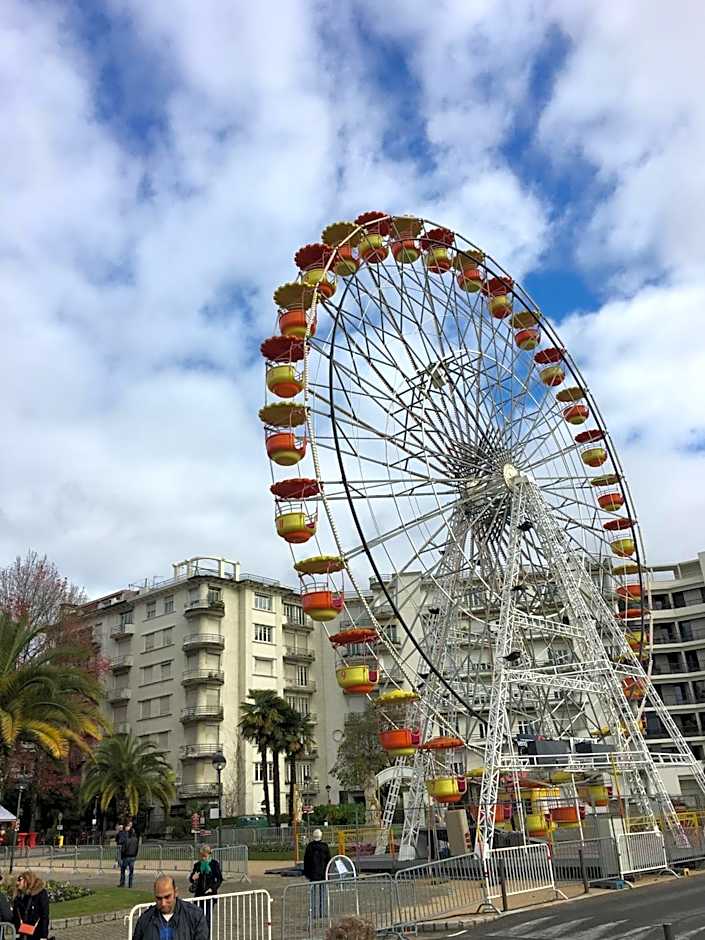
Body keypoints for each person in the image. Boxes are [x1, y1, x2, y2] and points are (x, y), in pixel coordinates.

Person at [132, 875, 208, 940]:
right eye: (159, 898)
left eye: (167, 897)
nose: (163, 903)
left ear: (176, 892)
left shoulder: (195, 916)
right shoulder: (145, 919)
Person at [188, 845, 222, 931]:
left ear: (209, 854)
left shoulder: (214, 864)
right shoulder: (197, 865)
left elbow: (219, 879)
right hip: (199, 895)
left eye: (205, 856)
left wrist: (212, 888)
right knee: (197, 919)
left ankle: (207, 936)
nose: (203, 858)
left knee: (207, 919)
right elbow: (192, 878)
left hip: (210, 896)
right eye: (201, 855)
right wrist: (192, 877)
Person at [12, 870, 50, 940]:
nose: (17, 883)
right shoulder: (19, 896)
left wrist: (44, 936)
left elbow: (44, 915)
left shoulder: (41, 894)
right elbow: (15, 915)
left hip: (37, 933)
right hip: (23, 933)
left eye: (20, 880)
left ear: (27, 880)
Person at [303, 828, 331, 921]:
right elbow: (328, 860)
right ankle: (323, 911)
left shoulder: (309, 847)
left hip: (313, 874)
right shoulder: (325, 847)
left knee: (313, 894)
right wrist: (328, 873)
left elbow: (306, 861)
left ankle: (313, 912)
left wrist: (307, 873)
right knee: (323, 893)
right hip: (323, 873)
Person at [119, 821, 140, 888]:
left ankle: (122, 883)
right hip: (132, 857)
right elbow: (137, 849)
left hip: (126, 856)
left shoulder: (127, 839)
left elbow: (123, 849)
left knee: (123, 870)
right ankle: (130, 884)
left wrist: (122, 855)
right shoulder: (136, 840)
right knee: (131, 872)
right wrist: (135, 855)